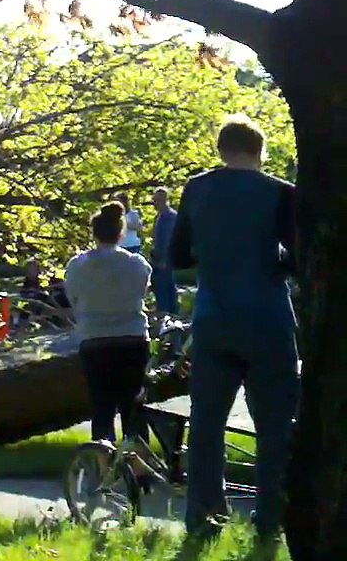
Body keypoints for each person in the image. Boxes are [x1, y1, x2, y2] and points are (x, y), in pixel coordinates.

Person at [170, 114, 298, 541]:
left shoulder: (196, 189)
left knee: (206, 423)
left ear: (221, 151)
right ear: (260, 153)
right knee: (275, 427)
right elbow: (298, 257)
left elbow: (178, 257)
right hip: (267, 318)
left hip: (213, 317)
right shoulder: (280, 193)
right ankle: (269, 520)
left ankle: (204, 517)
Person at [63, 201, 153, 446]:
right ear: (121, 232)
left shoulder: (77, 266)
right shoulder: (137, 265)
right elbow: (142, 294)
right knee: (133, 408)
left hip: (95, 340)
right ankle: (139, 469)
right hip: (132, 337)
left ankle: (103, 466)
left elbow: (73, 299)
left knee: (101, 408)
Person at [150, 187, 179, 315]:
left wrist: (163, 260)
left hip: (166, 263)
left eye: (156, 200)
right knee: (163, 292)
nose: (154, 203)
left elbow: (169, 241)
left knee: (166, 294)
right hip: (159, 261)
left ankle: (169, 322)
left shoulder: (170, 217)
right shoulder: (160, 217)